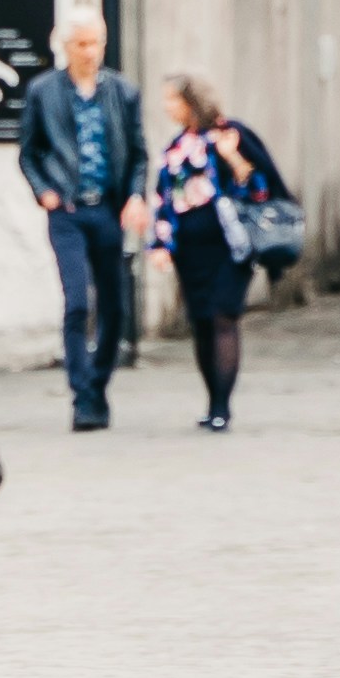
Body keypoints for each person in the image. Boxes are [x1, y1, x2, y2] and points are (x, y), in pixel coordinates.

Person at [16, 6, 147, 430]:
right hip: (68, 212)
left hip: (108, 209)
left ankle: (98, 384)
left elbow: (139, 153)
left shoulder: (123, 92)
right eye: (82, 44)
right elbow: (28, 152)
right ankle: (82, 395)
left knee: (114, 306)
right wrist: (44, 191)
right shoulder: (44, 92)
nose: (90, 52)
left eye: (96, 43)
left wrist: (136, 197)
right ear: (66, 47)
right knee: (77, 302)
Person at [143, 73, 283, 432]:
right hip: (191, 252)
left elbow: (260, 189)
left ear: (191, 102)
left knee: (223, 316)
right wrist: (160, 245)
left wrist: (232, 157)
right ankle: (211, 402)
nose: (166, 106)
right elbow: (164, 199)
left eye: (172, 99)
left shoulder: (229, 134)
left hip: (230, 248)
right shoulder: (176, 147)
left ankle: (222, 407)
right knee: (202, 323)